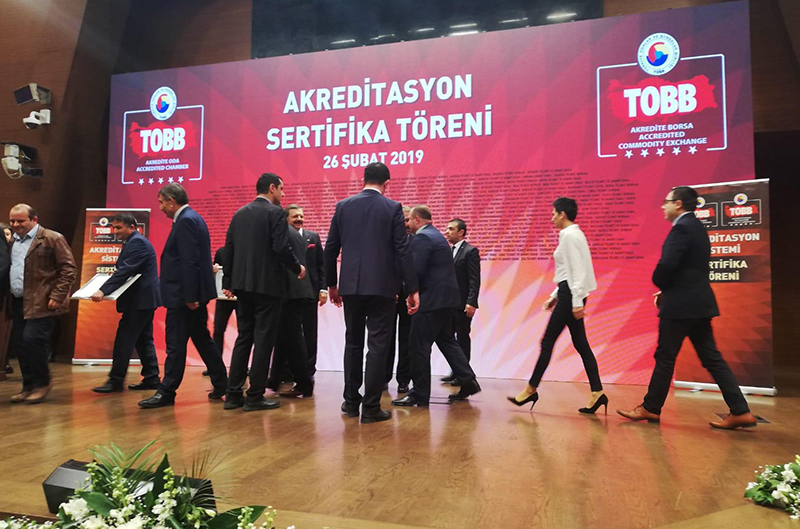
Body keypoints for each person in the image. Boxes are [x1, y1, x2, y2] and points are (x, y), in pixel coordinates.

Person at [618, 186, 757, 429]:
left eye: (667, 201)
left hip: (680, 307)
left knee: (665, 357)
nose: (663, 206)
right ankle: (740, 410)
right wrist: (669, 289)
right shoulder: (697, 227)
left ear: (679, 204)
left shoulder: (681, 229)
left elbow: (668, 265)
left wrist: (661, 284)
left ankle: (650, 408)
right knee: (711, 358)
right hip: (699, 303)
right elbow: (690, 269)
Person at [325, 162, 419, 424]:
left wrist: (331, 284)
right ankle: (371, 407)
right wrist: (412, 288)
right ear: (387, 183)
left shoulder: (343, 206)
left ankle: (350, 402)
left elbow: (330, 248)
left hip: (351, 287)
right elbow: (402, 250)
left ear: (363, 180)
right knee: (378, 346)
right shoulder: (392, 208)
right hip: (382, 288)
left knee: (353, 343)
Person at [508, 198, 606, 414]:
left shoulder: (569, 235)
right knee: (581, 344)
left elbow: (578, 271)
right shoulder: (573, 234)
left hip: (571, 296)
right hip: (568, 293)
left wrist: (576, 302)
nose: (551, 218)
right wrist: (555, 295)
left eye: (553, 213)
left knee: (547, 341)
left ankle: (531, 389)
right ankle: (597, 392)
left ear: (562, 214)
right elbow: (568, 271)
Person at [139, 184, 228, 408]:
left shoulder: (186, 220)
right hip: (190, 295)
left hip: (183, 298)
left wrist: (190, 296)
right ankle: (222, 383)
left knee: (175, 345)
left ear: (171, 201)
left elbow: (190, 261)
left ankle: (166, 391)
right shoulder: (193, 218)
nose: (160, 208)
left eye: (161, 202)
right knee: (203, 340)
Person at [221, 173, 304, 412]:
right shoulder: (275, 213)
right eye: (281, 189)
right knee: (264, 340)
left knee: (244, 337)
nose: (283, 194)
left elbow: (229, 249)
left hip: (243, 285)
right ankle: (255, 395)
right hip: (268, 286)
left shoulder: (239, 214)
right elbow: (280, 246)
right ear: (272, 187)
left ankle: (233, 393)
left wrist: (229, 280)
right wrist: (297, 267)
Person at [392, 206, 480, 407]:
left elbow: (417, 271)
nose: (407, 224)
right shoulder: (437, 236)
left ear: (417, 219)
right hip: (447, 301)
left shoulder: (422, 238)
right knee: (447, 341)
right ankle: (468, 381)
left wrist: (408, 292)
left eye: (408, 220)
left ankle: (419, 394)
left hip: (431, 301)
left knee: (418, 346)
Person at [7, 204, 77, 404]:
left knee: (32, 341)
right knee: (21, 345)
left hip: (44, 302)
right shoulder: (12, 241)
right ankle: (28, 386)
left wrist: (58, 295)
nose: (16, 224)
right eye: (12, 221)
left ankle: (42, 384)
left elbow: (69, 269)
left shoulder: (52, 238)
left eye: (21, 221)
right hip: (18, 300)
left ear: (34, 220)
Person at [90, 213, 161, 393]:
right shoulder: (133, 242)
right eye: (114, 228)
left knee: (124, 340)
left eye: (119, 228)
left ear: (132, 227)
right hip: (143, 300)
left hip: (140, 300)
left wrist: (103, 290)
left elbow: (126, 271)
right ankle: (152, 378)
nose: (115, 231)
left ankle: (116, 381)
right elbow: (127, 269)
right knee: (143, 340)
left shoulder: (137, 243)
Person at [272, 209, 316, 398]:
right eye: (295, 216)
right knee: (284, 338)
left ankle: (304, 384)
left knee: (293, 339)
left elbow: (284, 257)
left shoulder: (284, 233)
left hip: (291, 292)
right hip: (297, 290)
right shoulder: (295, 234)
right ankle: (274, 379)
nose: (299, 219)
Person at [285, 204, 326, 378]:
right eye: (295, 216)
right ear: (286, 219)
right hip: (288, 293)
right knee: (289, 333)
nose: (299, 219)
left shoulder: (313, 237)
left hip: (310, 292)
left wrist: (323, 289)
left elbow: (321, 265)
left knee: (310, 332)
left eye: (301, 216)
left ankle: (309, 370)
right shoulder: (283, 238)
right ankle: (288, 371)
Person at [441, 218, 481, 386]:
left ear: (461, 232)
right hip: (448, 304)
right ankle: (455, 370)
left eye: (451, 229)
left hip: (463, 304)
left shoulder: (470, 251)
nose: (447, 232)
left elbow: (474, 279)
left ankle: (464, 374)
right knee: (449, 337)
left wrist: (471, 302)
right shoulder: (448, 251)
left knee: (462, 337)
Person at [386, 206, 413, 393]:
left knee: (407, 340)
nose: (406, 224)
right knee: (386, 339)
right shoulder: (387, 241)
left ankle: (404, 380)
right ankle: (382, 378)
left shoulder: (418, 241)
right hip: (390, 295)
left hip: (410, 296)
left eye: (408, 220)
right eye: (403, 220)